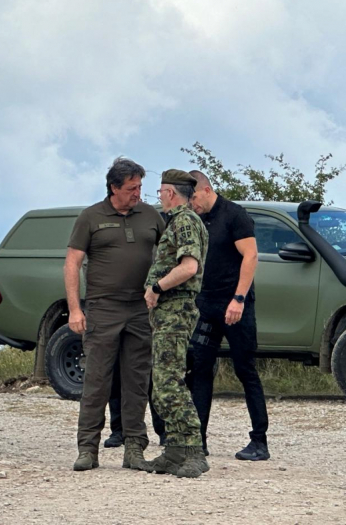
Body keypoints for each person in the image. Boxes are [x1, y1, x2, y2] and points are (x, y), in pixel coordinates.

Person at [65, 157, 165, 471]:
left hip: (141, 309)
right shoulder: (91, 217)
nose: (138, 193)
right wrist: (74, 309)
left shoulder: (150, 215)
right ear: (114, 188)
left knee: (137, 380)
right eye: (132, 188)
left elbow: (169, 254)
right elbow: (72, 264)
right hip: (103, 308)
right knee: (97, 381)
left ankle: (134, 448)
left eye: (140, 187)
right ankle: (87, 449)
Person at [188, 170, 270, 461]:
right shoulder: (196, 219)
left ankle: (259, 441)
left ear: (206, 190)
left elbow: (251, 256)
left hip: (235, 306)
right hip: (206, 306)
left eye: (194, 197)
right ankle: (197, 440)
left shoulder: (235, 215)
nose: (192, 203)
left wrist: (239, 298)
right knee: (200, 369)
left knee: (245, 370)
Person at [138, 169, 209, 479]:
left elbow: (189, 267)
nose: (159, 198)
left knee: (169, 382)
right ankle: (175, 451)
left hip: (176, 309)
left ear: (169, 193)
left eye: (160, 192)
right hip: (169, 311)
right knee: (163, 381)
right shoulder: (182, 221)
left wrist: (156, 288)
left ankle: (193, 450)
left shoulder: (184, 221)